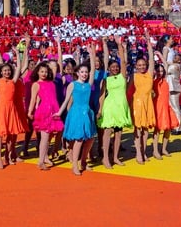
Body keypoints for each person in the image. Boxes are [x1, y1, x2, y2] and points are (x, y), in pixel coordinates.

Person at [54, 42, 97, 176]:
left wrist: (91, 53)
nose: (84, 74)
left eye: (86, 72)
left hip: (87, 113)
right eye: (82, 72)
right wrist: (60, 112)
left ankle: (83, 161)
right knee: (78, 139)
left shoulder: (89, 84)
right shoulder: (73, 85)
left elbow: (93, 70)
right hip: (77, 113)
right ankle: (75, 165)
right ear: (77, 73)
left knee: (90, 138)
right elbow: (67, 100)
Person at [0, 43, 29, 169]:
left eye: (8, 70)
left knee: (11, 134)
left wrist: (17, 54)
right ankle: (0, 158)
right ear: (1, 71)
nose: (7, 72)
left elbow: (18, 68)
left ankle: (8, 154)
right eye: (4, 70)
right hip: (1, 109)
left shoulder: (13, 81)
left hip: (12, 109)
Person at [97, 35, 132, 168]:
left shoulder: (123, 77)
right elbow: (101, 96)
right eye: (113, 67)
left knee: (118, 133)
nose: (115, 68)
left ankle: (115, 157)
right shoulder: (106, 80)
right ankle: (105, 158)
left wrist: (120, 45)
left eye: (116, 67)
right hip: (110, 106)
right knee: (108, 131)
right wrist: (100, 109)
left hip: (121, 106)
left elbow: (123, 62)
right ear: (109, 69)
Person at [27, 61, 64, 171]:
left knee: (48, 137)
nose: (44, 73)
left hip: (53, 111)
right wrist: (30, 112)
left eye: (46, 72)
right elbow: (33, 99)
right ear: (37, 72)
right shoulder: (36, 84)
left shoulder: (51, 83)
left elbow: (56, 67)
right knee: (45, 138)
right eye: (42, 71)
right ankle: (41, 161)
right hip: (44, 112)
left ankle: (44, 157)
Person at [130, 29, 156, 165]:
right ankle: (138, 153)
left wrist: (148, 41)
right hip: (137, 103)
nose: (141, 67)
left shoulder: (150, 74)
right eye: (139, 65)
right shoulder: (134, 76)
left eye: (143, 65)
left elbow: (151, 58)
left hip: (148, 102)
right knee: (138, 129)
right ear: (136, 66)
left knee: (146, 129)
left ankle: (144, 150)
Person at [151, 61, 179, 158]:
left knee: (168, 129)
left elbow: (166, 67)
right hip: (158, 108)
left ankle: (163, 149)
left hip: (166, 107)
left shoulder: (166, 80)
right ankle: (155, 150)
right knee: (157, 129)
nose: (160, 73)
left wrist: (161, 56)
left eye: (162, 71)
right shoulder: (153, 82)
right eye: (158, 71)